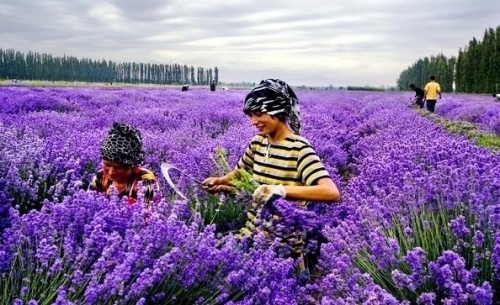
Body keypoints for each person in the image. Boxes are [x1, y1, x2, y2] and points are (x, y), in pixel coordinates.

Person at [202, 78, 341, 274]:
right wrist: (221, 182)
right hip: (251, 237)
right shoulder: (259, 143)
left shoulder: (299, 149)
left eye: (259, 114)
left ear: (278, 112)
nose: (253, 121)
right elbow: (241, 172)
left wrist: (280, 190)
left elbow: (331, 192)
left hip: (284, 248)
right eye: (251, 115)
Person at [90, 123, 160, 208]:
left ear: (132, 165)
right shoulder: (100, 177)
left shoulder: (146, 179)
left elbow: (148, 213)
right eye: (107, 164)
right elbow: (89, 206)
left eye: (118, 167)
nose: (111, 172)